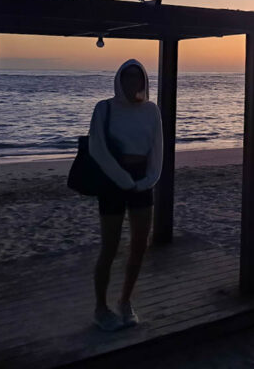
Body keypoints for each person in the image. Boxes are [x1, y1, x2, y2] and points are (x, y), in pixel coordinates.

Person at [88, 59, 163, 331]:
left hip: (142, 181)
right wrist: (123, 180)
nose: (133, 81)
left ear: (144, 80)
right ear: (119, 79)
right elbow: (97, 149)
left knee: (140, 245)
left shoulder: (151, 110)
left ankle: (125, 300)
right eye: (128, 76)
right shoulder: (104, 108)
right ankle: (100, 307)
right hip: (112, 181)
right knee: (109, 246)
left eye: (138, 77)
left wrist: (147, 181)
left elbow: (157, 151)